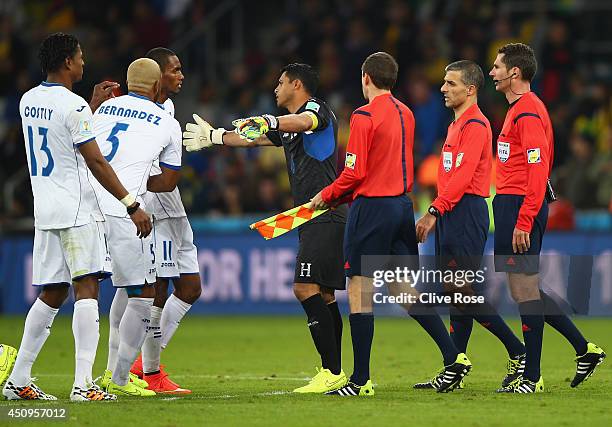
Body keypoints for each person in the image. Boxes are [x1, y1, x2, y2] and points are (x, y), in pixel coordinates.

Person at [310, 52, 471, 396]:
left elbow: (355, 172)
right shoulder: (407, 113)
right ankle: (454, 356)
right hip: (402, 207)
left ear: (366, 77)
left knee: (359, 288)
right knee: (401, 288)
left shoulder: (363, 115)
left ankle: (360, 380)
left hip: (372, 208)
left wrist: (326, 195)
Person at [2, 32, 151, 402]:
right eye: (81, 56)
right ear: (68, 62)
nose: (84, 62)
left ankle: (18, 379)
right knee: (87, 288)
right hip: (77, 208)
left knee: (52, 291)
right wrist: (130, 203)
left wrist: (91, 106)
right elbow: (94, 159)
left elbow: (57, 133)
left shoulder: (27, 100)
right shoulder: (74, 106)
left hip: (46, 207)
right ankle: (84, 385)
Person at [183, 63, 347, 394]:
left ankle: (331, 372)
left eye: (281, 82)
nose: (275, 88)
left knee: (304, 288)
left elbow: (305, 121)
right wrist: (216, 136)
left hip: (323, 212)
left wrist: (269, 120)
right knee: (325, 295)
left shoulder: (315, 110)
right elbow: (253, 140)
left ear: (297, 85)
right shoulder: (288, 127)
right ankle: (335, 372)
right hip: (311, 214)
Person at [489, 43, 605, 393]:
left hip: (520, 205)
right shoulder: (518, 110)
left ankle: (533, 376)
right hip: (511, 204)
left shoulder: (526, 112)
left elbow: (538, 169)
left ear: (515, 73)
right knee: (524, 288)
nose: (492, 72)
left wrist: (524, 219)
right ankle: (584, 349)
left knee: (524, 289)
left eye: (497, 67)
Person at [413, 60, 527, 391]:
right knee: (455, 292)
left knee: (459, 291)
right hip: (453, 211)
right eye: (444, 82)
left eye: (451, 83)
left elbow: (462, 179)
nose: (443, 88)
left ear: (470, 89)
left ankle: (518, 351)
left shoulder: (476, 125)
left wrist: (434, 211)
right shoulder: (456, 125)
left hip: (465, 212)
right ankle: (455, 366)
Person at [93, 58, 182, 397]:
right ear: (157, 84)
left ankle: (68, 379)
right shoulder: (166, 121)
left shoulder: (104, 109)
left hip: (89, 206)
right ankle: (118, 378)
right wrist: (139, 187)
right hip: (125, 210)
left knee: (81, 290)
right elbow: (169, 180)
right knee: (144, 293)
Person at [121, 47, 196, 395]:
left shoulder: (167, 109)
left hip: (174, 207)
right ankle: (149, 372)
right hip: (154, 208)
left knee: (191, 288)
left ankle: (141, 365)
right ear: (157, 75)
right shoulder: (142, 113)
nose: (181, 75)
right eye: (175, 70)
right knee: (159, 288)